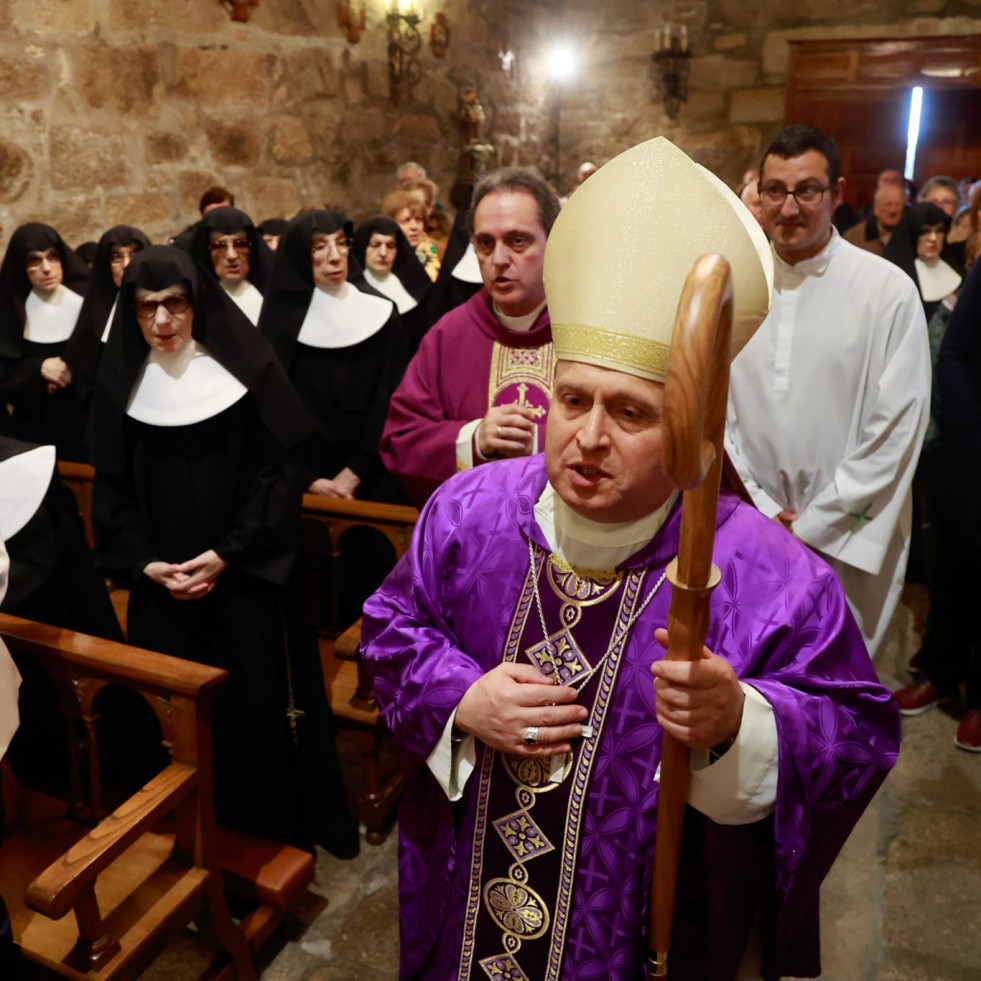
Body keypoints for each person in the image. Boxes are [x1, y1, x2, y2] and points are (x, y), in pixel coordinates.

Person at [362, 137, 900, 980]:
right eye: (570, 400)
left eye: (631, 412)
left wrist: (741, 727)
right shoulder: (466, 513)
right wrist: (459, 695)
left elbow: (857, 733)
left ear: (688, 431)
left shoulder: (766, 573)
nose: (588, 438)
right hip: (467, 905)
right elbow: (390, 628)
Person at [90, 245, 358, 856]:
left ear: (196, 303)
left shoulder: (243, 368)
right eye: (146, 308)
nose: (162, 322)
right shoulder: (120, 385)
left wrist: (228, 553)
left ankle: (271, 839)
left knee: (258, 713)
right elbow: (111, 490)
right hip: (166, 590)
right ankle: (199, 846)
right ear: (131, 315)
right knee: (187, 728)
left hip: (245, 582)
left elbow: (283, 470)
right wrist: (144, 564)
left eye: (175, 304)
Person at [727, 125, 930, 657]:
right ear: (759, 195)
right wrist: (765, 509)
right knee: (749, 686)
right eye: (775, 190)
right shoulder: (733, 289)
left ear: (837, 194)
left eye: (807, 190)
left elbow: (899, 424)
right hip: (750, 524)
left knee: (836, 692)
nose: (789, 208)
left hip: (846, 535)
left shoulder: (887, 291)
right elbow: (713, 413)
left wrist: (815, 522)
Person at [380, 167, 560, 508]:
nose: (499, 260)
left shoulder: (592, 331)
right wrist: (473, 440)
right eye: (485, 243)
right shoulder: (449, 336)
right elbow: (400, 443)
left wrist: (540, 442)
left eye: (518, 241)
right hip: (475, 542)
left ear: (554, 241)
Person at [893, 257, 981, 750]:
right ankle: (940, 671)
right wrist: (971, 433)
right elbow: (954, 354)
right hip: (971, 451)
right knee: (953, 569)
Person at [260, 210, 407, 503]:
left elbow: (392, 396)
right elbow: (272, 410)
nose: (335, 256)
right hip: (299, 481)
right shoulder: (278, 325)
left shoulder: (381, 313)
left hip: (374, 474)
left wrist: (356, 471)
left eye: (341, 243)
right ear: (299, 255)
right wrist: (308, 479)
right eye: (318, 247)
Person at [0, 223, 90, 461]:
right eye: (35, 260)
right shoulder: (8, 310)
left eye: (53, 256)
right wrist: (38, 369)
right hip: (34, 424)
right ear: (21, 266)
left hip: (82, 419)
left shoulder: (86, 301)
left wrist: (72, 369)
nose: (47, 268)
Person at [64, 225, 150, 421]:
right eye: (117, 257)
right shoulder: (94, 311)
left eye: (134, 254)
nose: (127, 264)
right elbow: (84, 373)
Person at [352, 215, 433, 355]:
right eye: (376, 245)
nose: (383, 253)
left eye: (390, 246)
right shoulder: (351, 290)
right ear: (364, 247)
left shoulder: (418, 290)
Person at [189, 206, 275, 325]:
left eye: (240, 244)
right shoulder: (199, 306)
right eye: (219, 246)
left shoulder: (274, 296)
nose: (232, 255)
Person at [882, 201, 962, 322]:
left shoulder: (955, 268)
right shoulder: (896, 276)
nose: (933, 238)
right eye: (925, 232)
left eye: (939, 231)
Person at [382, 189, 442, 282]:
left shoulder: (439, 251)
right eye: (405, 221)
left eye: (418, 220)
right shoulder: (383, 255)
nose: (414, 227)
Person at [844, 182, 906, 255]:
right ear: (876, 209)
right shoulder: (855, 236)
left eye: (897, 204)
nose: (893, 210)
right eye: (887, 205)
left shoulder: (911, 235)